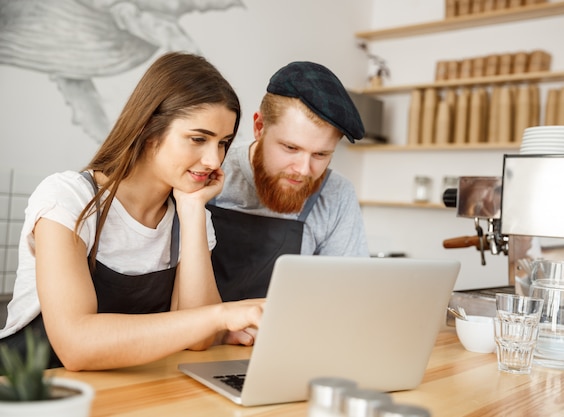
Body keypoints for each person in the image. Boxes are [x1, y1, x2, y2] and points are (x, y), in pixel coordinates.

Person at [0, 52, 263, 371]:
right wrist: (222, 315)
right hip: (33, 390)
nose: (213, 160)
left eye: (222, 143)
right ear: (148, 128)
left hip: (124, 389)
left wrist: (193, 209)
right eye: (198, 139)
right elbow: (76, 346)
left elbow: (198, 340)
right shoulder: (67, 198)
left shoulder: (190, 216)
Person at [207, 61, 369, 302]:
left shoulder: (337, 194)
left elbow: (346, 297)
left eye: (320, 155)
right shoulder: (210, 171)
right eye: (290, 148)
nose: (303, 170)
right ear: (259, 127)